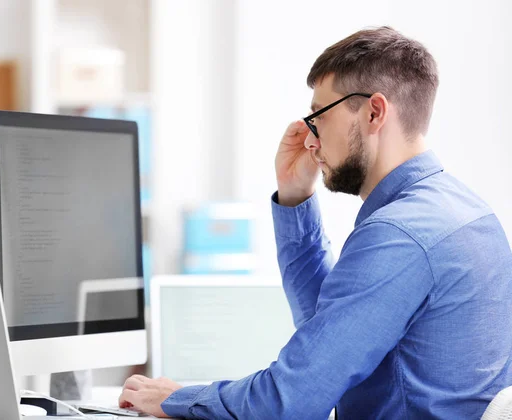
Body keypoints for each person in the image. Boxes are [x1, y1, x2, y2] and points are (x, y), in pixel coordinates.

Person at [118, 26, 512, 419]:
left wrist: (177, 398)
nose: (310, 140)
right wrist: (295, 196)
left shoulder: (401, 234)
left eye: (318, 117)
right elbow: (326, 338)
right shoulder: (465, 210)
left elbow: (289, 401)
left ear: (374, 112)